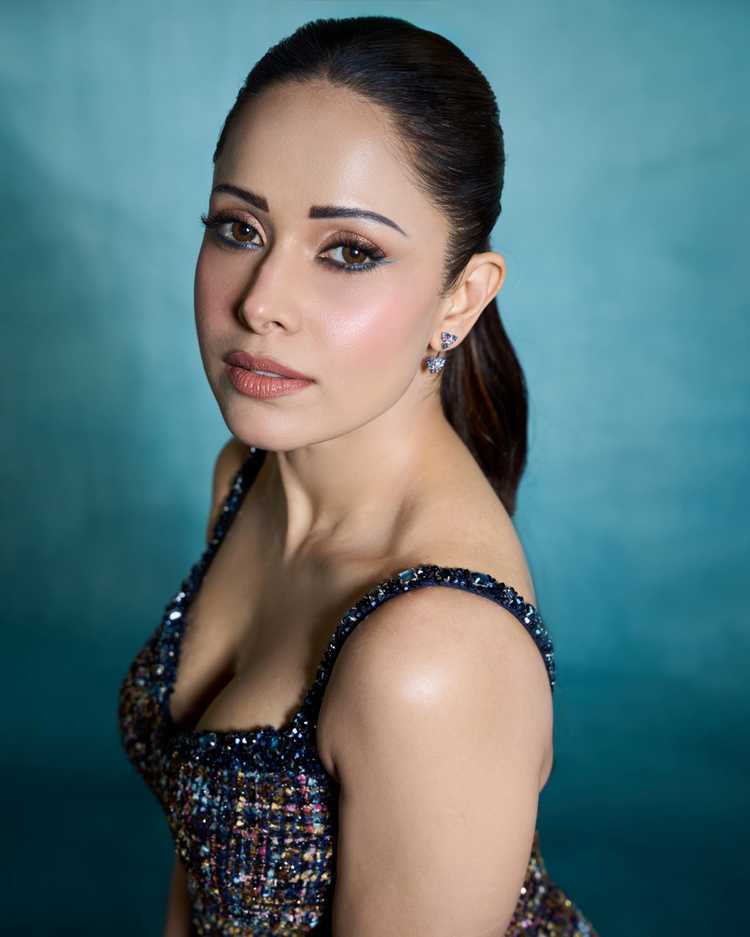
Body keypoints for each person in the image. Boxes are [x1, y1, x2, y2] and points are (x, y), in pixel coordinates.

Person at [118, 14, 600, 937]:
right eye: (238, 227)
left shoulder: (436, 654)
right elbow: (199, 858)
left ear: (461, 297)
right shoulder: (247, 478)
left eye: (348, 251)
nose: (261, 304)